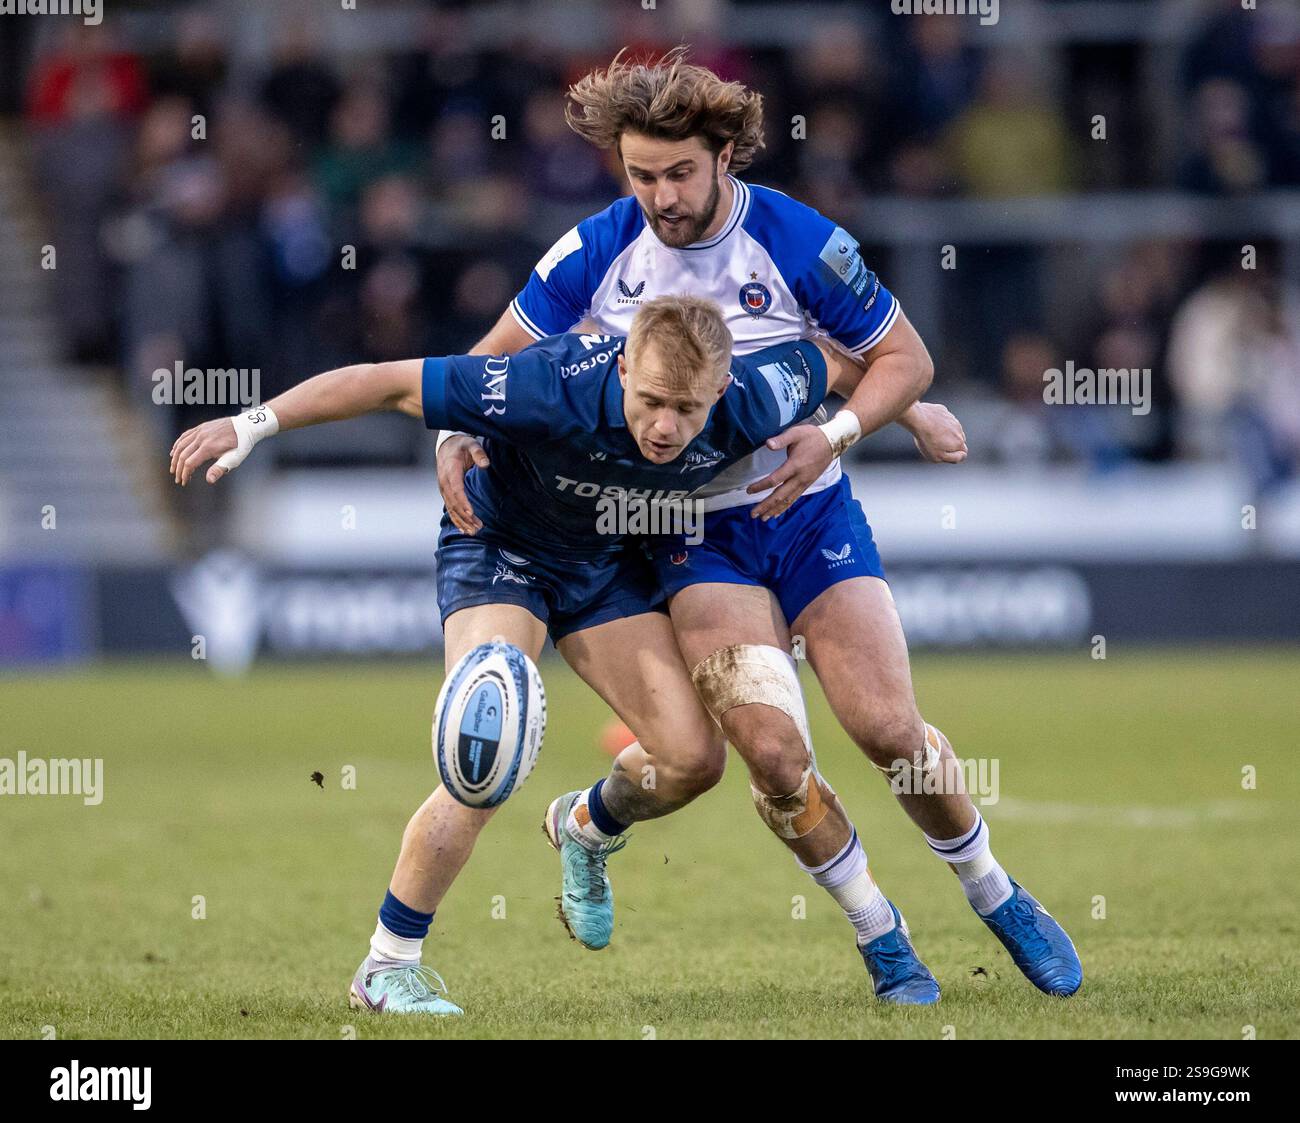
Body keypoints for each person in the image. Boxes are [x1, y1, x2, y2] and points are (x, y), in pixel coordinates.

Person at [441, 50, 1081, 999]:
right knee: (776, 756)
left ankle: (993, 891)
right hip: (691, 534)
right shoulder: (595, 251)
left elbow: (900, 355)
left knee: (889, 731)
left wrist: (845, 432)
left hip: (809, 509)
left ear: (726, 155)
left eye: (679, 173)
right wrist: (456, 431)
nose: (660, 195)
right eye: (641, 174)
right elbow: (492, 358)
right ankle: (882, 936)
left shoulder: (795, 240)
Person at [169, 295, 946, 1012]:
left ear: (719, 390)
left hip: (607, 567)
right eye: (650, 402)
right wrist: (253, 424)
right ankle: (387, 965)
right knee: (488, 740)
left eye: (686, 408)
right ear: (621, 368)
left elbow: (845, 362)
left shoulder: (754, 389)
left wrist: (911, 414)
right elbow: (382, 383)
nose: (667, 427)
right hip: (501, 548)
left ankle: (584, 826)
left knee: (691, 761)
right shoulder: (546, 385)